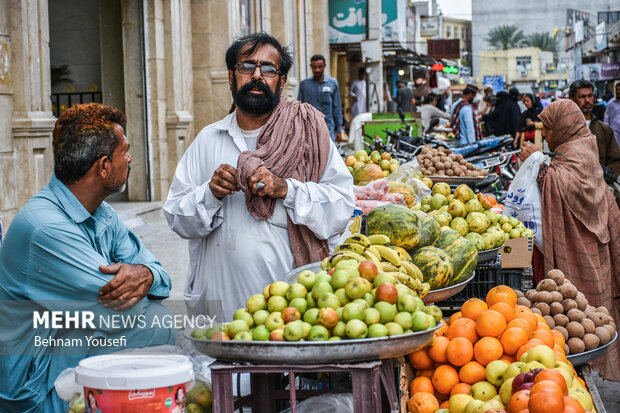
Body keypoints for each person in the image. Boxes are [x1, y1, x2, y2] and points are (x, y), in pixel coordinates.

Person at [163, 33, 355, 321]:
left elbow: (341, 206)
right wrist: (210, 193)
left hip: (290, 314)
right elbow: (176, 217)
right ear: (231, 77)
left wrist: (286, 189)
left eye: (268, 69)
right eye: (246, 67)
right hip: (220, 315)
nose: (256, 75)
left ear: (281, 80)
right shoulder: (208, 139)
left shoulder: (306, 134)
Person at [0, 103, 175, 411]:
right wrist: (145, 281)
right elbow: (124, 309)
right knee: (155, 323)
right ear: (104, 166)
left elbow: (159, 279)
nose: (131, 158)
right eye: (126, 151)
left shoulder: (103, 214)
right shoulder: (45, 227)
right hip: (34, 387)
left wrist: (146, 275)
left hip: (68, 348)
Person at [519, 99, 620, 381]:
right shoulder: (578, 145)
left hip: (585, 246)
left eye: (549, 129)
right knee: (575, 310)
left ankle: (583, 366)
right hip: (589, 241)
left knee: (584, 312)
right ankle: (577, 367)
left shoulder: (578, 151)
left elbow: (564, 184)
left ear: (563, 127)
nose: (547, 135)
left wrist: (536, 160)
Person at [569, 80, 620, 192]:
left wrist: (607, 175)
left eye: (590, 96)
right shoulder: (565, 130)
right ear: (572, 99)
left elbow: (616, 159)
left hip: (602, 188)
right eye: (582, 97)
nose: (587, 100)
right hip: (574, 189)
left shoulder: (604, 129)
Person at [298, 54, 343, 143]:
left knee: (328, 155)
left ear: (324, 66)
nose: (317, 70)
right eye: (314, 67)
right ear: (311, 66)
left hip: (328, 129)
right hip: (309, 129)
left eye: (320, 67)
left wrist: (339, 129)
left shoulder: (333, 83)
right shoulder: (304, 84)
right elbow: (298, 108)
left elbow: (336, 107)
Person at [604, 82, 620, 147]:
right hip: (614, 132)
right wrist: (607, 131)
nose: (618, 91)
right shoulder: (611, 103)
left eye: (619, 90)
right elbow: (606, 118)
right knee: (615, 149)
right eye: (617, 89)